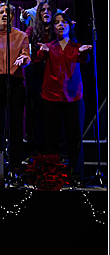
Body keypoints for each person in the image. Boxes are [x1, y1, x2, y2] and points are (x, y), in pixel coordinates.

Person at [35, 13, 91, 184]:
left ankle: (75, 176)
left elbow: (85, 59)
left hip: (73, 98)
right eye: (57, 23)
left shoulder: (76, 46)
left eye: (63, 22)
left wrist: (83, 52)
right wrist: (41, 52)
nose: (60, 25)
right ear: (53, 28)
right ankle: (52, 175)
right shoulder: (49, 46)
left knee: (75, 138)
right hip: (51, 97)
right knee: (51, 138)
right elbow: (39, 57)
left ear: (69, 26)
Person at [0, 3, 30, 182]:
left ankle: (16, 167)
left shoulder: (21, 35)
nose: (4, 15)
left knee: (16, 127)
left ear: (13, 17)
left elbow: (27, 57)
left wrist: (24, 59)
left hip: (15, 81)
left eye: (8, 12)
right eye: (1, 12)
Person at [24, 1, 57, 158]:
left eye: (49, 9)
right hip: (36, 74)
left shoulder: (57, 30)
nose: (45, 12)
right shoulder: (32, 30)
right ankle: (35, 151)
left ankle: (52, 151)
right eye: (42, 10)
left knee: (52, 113)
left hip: (54, 74)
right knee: (35, 111)